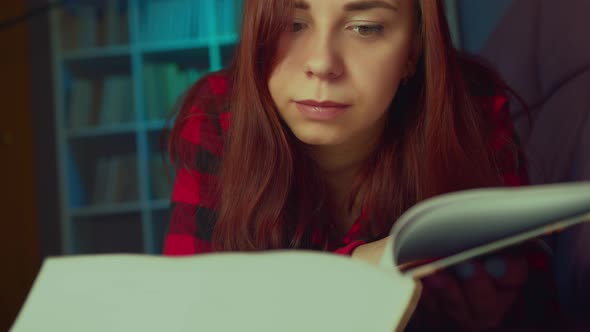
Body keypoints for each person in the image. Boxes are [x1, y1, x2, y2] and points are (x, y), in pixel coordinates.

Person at [163, 0, 560, 330]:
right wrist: (360, 269)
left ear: (413, 49)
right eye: (293, 23)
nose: (321, 63)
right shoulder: (218, 115)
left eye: (366, 28)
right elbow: (190, 309)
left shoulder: (469, 109)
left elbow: (534, 293)